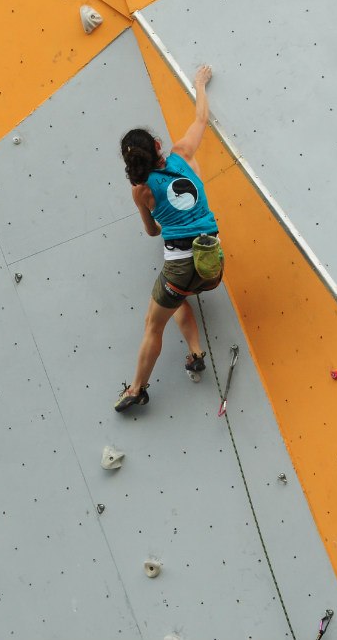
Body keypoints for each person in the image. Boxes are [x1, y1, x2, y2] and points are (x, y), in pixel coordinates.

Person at [114, 64, 223, 413]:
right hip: (212, 264)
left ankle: (136, 389)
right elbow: (201, 119)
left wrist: (163, 217)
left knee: (153, 323)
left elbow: (152, 231)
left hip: (179, 268)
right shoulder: (183, 153)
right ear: (158, 145)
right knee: (177, 300)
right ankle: (195, 353)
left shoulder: (141, 190)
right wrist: (199, 84)